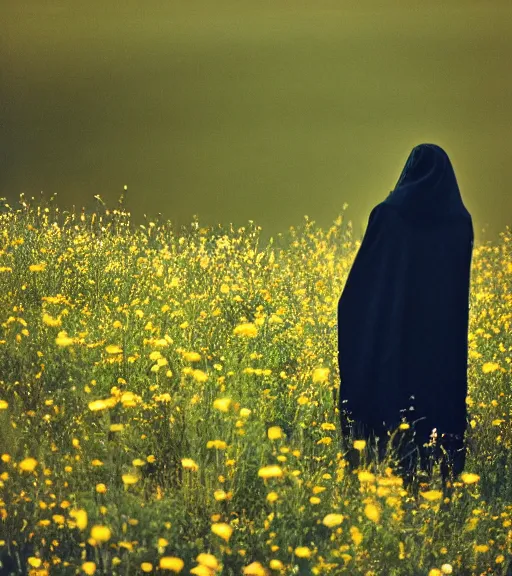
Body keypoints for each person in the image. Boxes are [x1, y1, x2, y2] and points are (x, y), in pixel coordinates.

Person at [337, 143, 474, 487]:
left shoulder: (388, 214)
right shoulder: (459, 222)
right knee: (436, 396)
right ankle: (439, 468)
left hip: (394, 333)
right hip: (441, 336)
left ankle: (386, 463)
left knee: (392, 393)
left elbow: (365, 282)